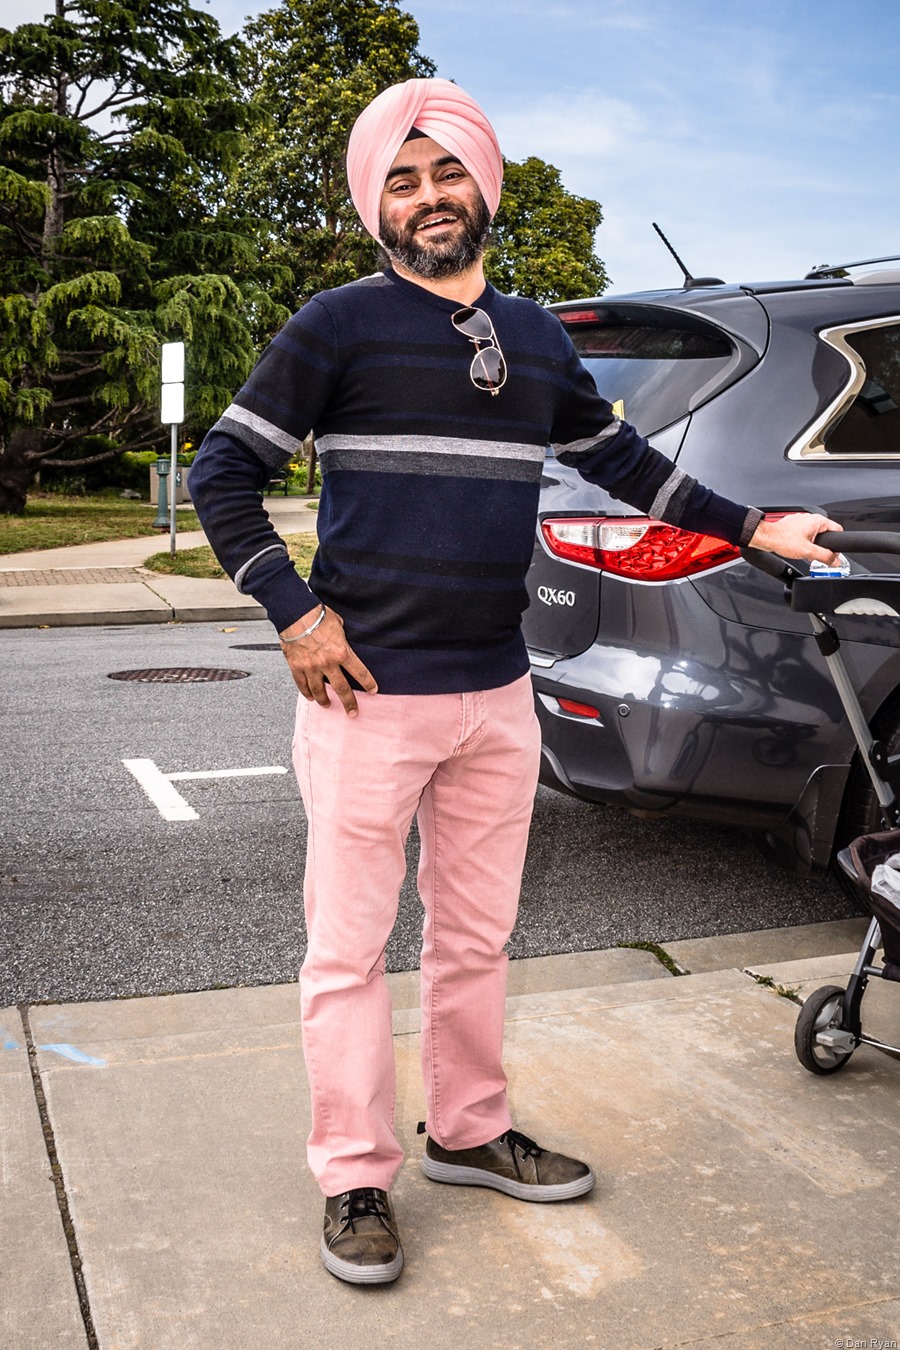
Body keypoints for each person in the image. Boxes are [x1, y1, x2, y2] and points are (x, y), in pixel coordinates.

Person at [188, 77, 841, 1286]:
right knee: (346, 950)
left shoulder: (537, 337)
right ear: (373, 201)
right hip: (364, 698)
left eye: (447, 173)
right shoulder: (336, 324)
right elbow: (222, 472)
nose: (429, 196)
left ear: (481, 185)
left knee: (478, 939)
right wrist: (294, 612)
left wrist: (759, 528)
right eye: (402, 177)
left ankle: (473, 1133)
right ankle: (354, 1176)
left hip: (498, 695)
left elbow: (630, 465)